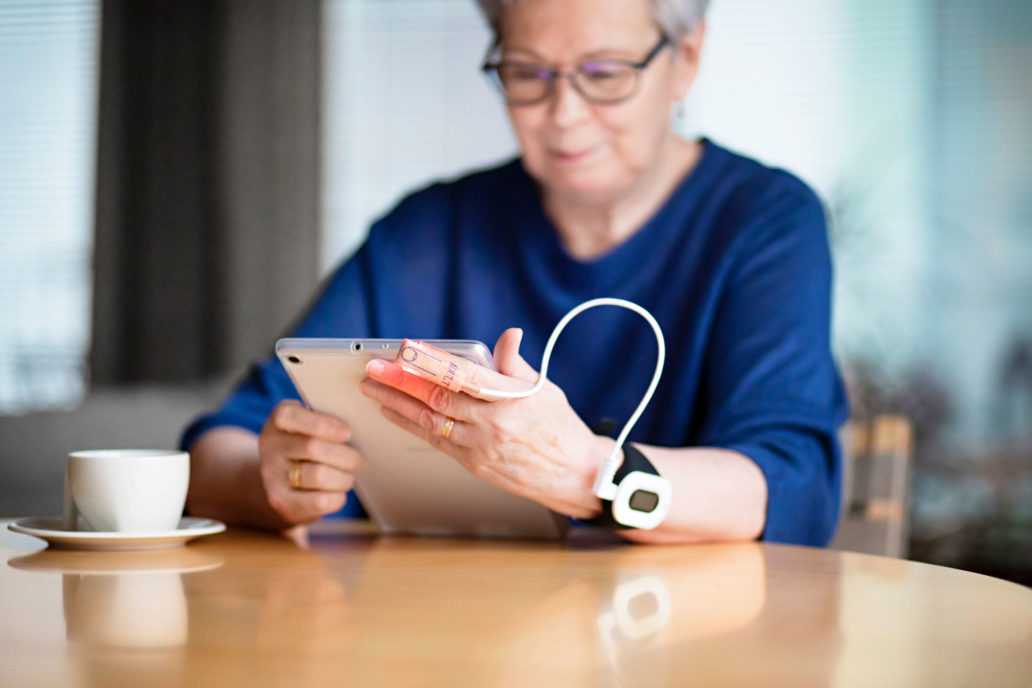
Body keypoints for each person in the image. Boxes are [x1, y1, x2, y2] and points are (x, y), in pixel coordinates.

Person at [181, 0, 848, 546]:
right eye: (528, 73)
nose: (563, 115)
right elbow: (218, 450)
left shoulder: (763, 221)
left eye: (606, 72)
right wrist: (268, 481)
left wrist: (588, 473)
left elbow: (789, 488)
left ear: (687, 60)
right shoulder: (425, 233)